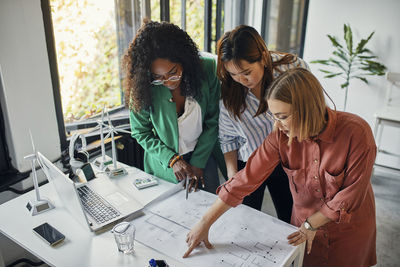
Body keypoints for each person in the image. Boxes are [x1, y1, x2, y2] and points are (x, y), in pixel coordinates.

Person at [184, 68, 377, 267]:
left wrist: (312, 224)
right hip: (302, 229)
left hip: (347, 233)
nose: (276, 125)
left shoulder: (357, 132)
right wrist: (205, 222)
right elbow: (247, 178)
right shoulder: (280, 137)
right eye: (273, 116)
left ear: (307, 109)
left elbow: (351, 195)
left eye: (282, 117)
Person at [217, 25, 309, 221]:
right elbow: (227, 138)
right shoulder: (229, 89)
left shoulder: (293, 69)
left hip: (289, 160)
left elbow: (313, 111)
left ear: (263, 57)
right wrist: (233, 174)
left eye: (246, 72)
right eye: (233, 74)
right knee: (245, 219)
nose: (240, 79)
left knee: (290, 217)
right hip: (250, 161)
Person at [123, 20, 226, 193]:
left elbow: (213, 121)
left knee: (211, 206)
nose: (167, 82)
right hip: (166, 163)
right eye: (158, 76)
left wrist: (198, 162)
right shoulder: (143, 86)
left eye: (173, 72)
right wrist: (172, 159)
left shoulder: (208, 70)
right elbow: (141, 132)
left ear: (184, 60)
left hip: (203, 154)